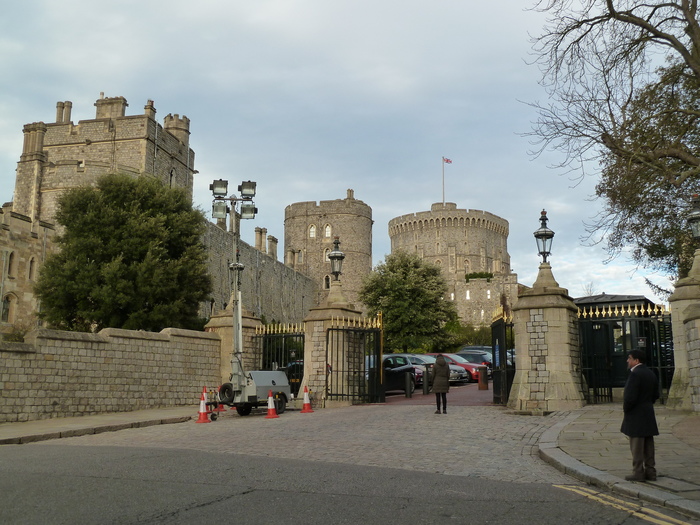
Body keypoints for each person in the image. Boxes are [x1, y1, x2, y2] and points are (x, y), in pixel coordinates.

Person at [620, 349, 660, 482]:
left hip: (636, 414)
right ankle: (651, 471)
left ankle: (638, 472)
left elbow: (630, 397)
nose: (627, 360)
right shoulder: (650, 373)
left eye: (629, 358)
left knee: (636, 445)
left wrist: (626, 409)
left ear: (636, 360)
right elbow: (656, 394)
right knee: (648, 444)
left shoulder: (635, 374)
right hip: (648, 412)